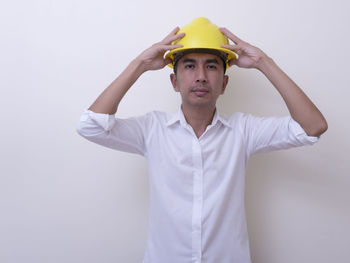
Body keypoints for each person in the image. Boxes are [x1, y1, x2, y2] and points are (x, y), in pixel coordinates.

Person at [77, 17, 327, 263]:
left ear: (224, 83)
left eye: (211, 66)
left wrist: (264, 62)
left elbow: (313, 126)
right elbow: (91, 126)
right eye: (189, 66)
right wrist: (139, 64)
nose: (200, 77)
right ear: (174, 82)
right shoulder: (152, 130)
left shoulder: (243, 131)